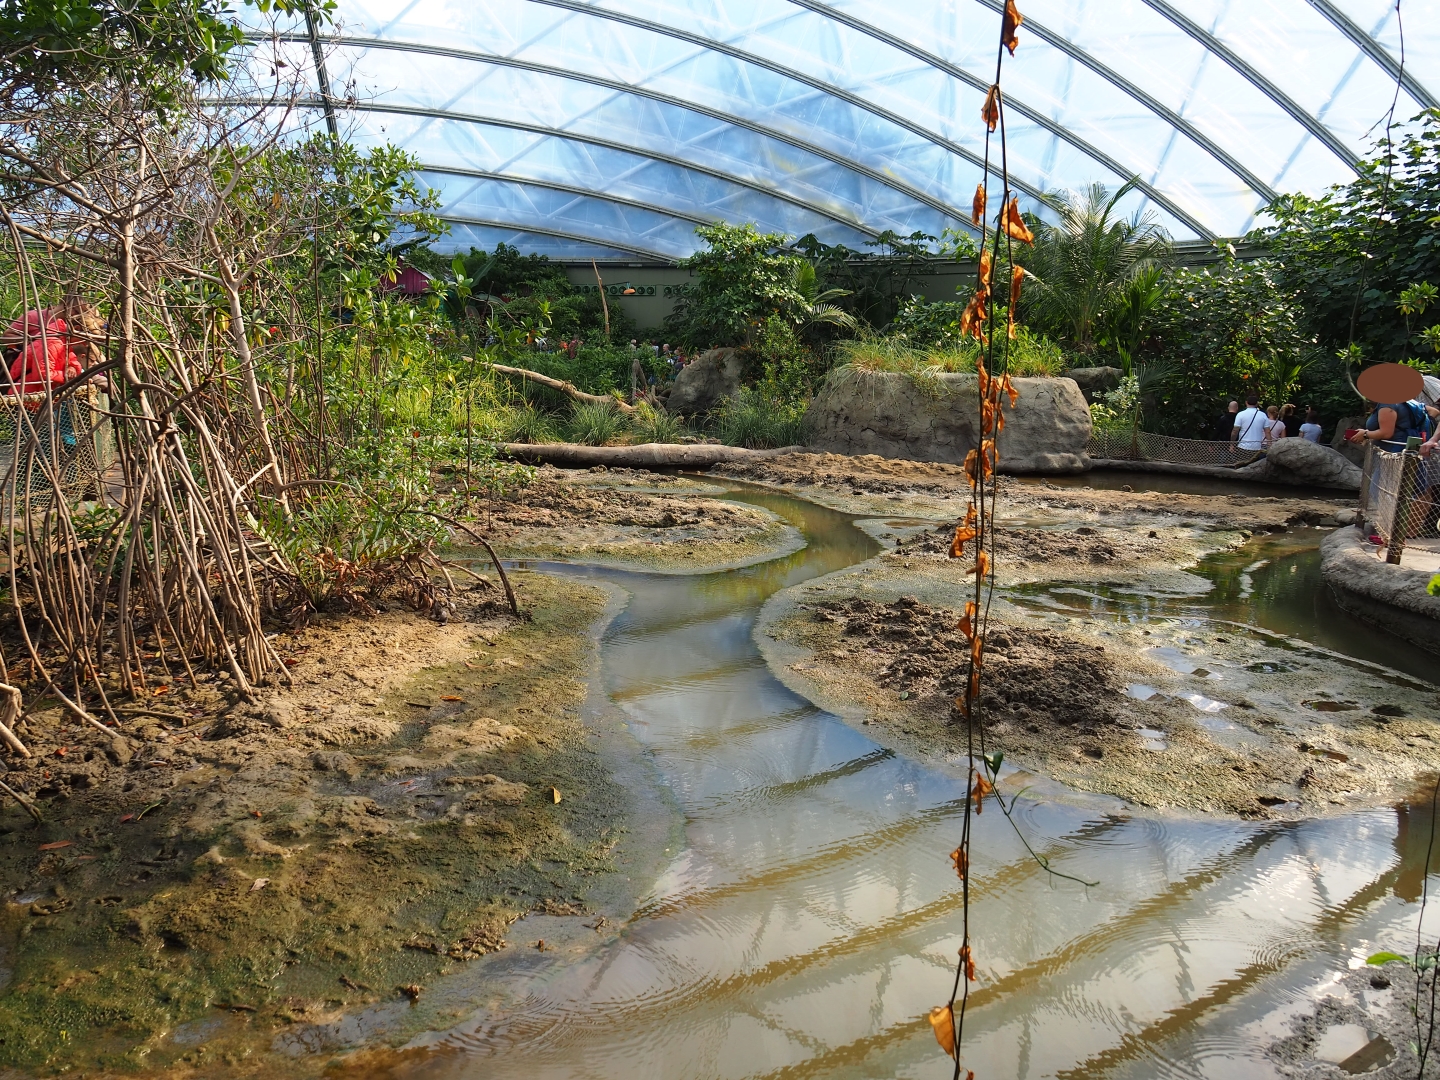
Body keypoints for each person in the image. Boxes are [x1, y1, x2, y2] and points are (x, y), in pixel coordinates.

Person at [1348, 395, 1428, 453]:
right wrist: (1365, 433)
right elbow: (1432, 411)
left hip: (1393, 453)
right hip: (1405, 447)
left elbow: (1386, 433)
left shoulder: (1387, 403)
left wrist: (1365, 434)